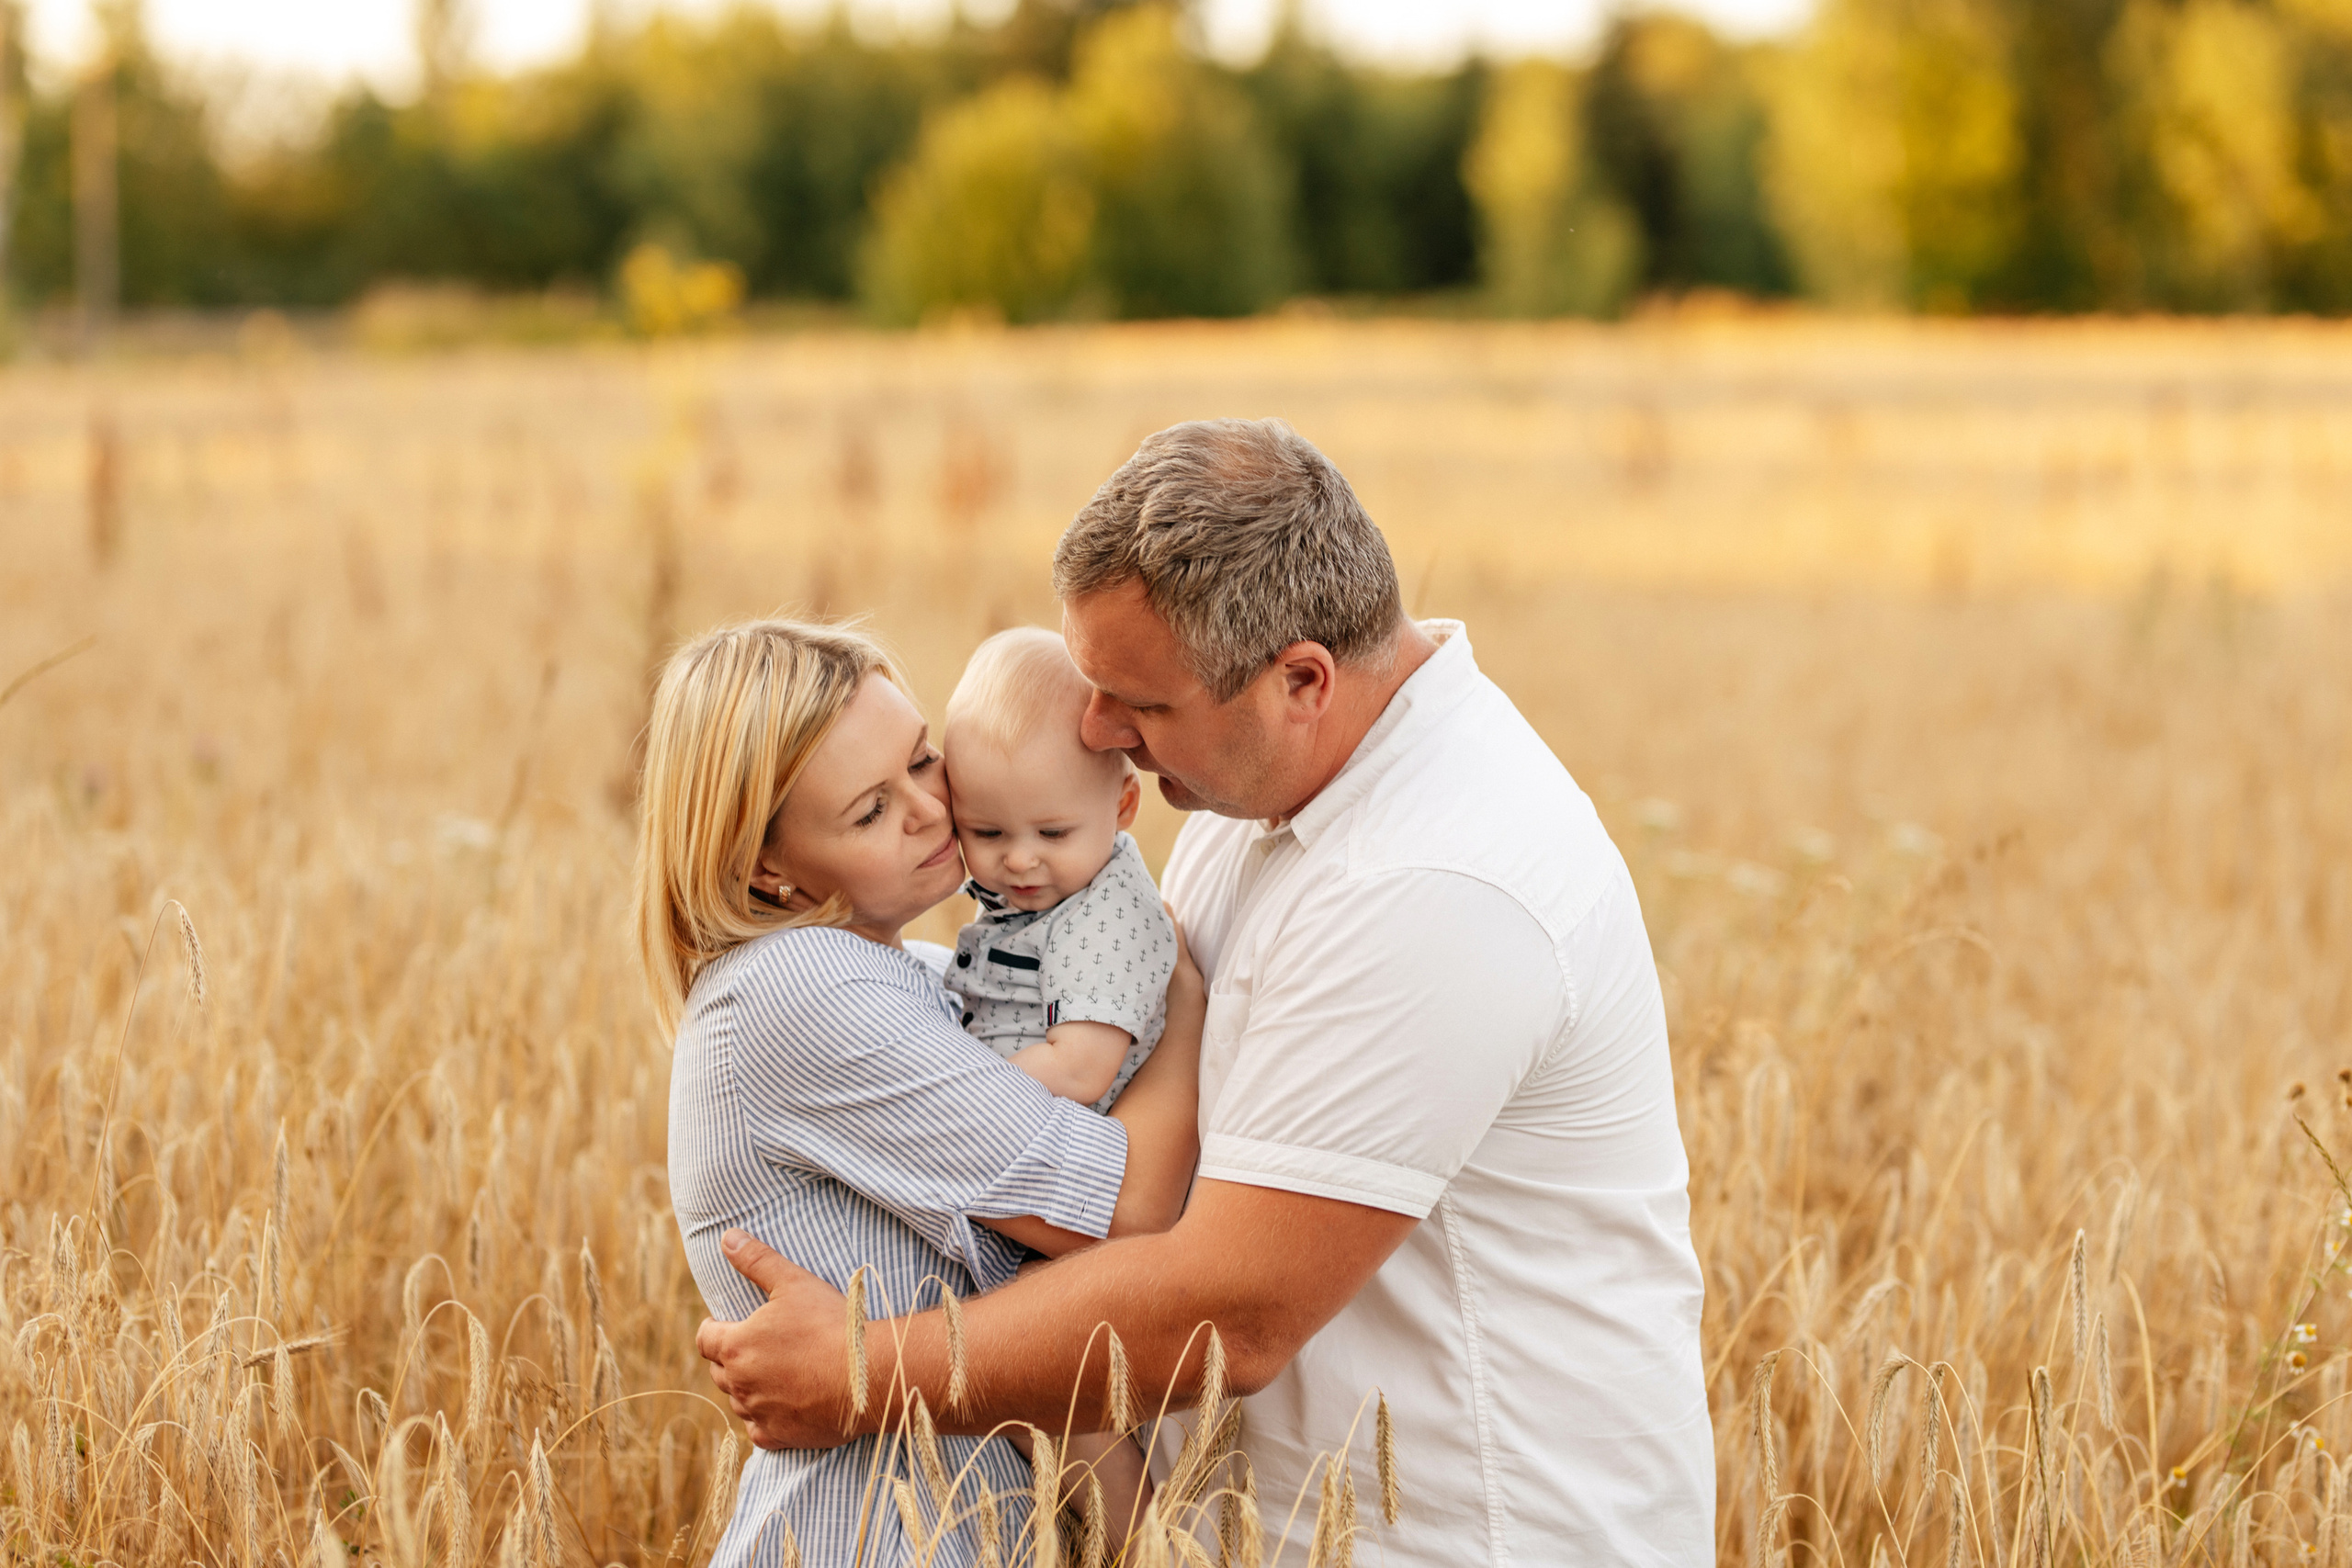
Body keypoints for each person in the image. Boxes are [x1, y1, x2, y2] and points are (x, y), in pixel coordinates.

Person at [695, 421, 1715, 1564]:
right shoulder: (1255, 800)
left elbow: (1229, 1308)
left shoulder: (1435, 884)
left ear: (1300, 682)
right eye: (1092, 685)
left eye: (1141, 701)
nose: (1096, 733)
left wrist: (865, 1376)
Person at [637, 618, 1204, 1567]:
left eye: (921, 761)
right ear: (764, 870)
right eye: (869, 811)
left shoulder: (926, 979)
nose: (933, 813)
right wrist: (1173, 994)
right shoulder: (798, 990)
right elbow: (1125, 1210)